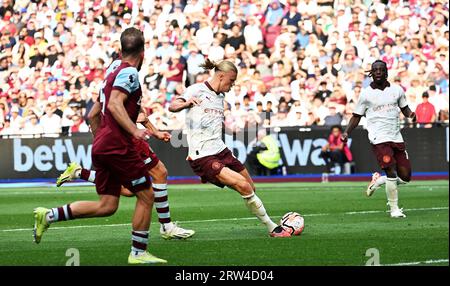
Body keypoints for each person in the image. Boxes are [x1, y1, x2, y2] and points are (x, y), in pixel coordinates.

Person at [33, 27, 167, 264]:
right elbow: (115, 104)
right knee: (146, 195)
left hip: (104, 143)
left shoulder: (111, 69)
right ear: (143, 52)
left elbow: (94, 113)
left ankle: (49, 215)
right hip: (118, 145)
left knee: (107, 205)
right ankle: (138, 253)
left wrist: (101, 140)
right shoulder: (130, 73)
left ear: (120, 49)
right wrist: (134, 130)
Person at [169, 59, 291, 237]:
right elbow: (173, 106)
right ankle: (273, 228)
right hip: (203, 155)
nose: (232, 85)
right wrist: (186, 104)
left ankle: (223, 181)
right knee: (244, 186)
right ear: (220, 76)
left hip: (221, 150)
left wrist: (230, 129)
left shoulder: (220, 97)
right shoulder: (196, 89)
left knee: (250, 187)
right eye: (231, 81)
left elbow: (213, 119)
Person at [56, 108, 195, 240]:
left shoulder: (115, 88)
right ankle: (165, 227)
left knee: (130, 190)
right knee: (159, 173)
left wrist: (155, 131)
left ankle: (80, 173)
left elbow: (138, 114)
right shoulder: (123, 86)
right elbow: (132, 115)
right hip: (127, 139)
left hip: (118, 139)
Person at [342, 60, 416, 218]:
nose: (377, 72)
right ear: (371, 73)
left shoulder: (397, 90)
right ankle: (394, 209)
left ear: (386, 72)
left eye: (380, 70)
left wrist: (411, 114)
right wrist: (346, 132)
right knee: (390, 170)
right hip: (378, 137)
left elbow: (404, 107)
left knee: (406, 176)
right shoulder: (366, 93)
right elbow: (356, 116)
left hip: (396, 135)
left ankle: (379, 181)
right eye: (374, 70)